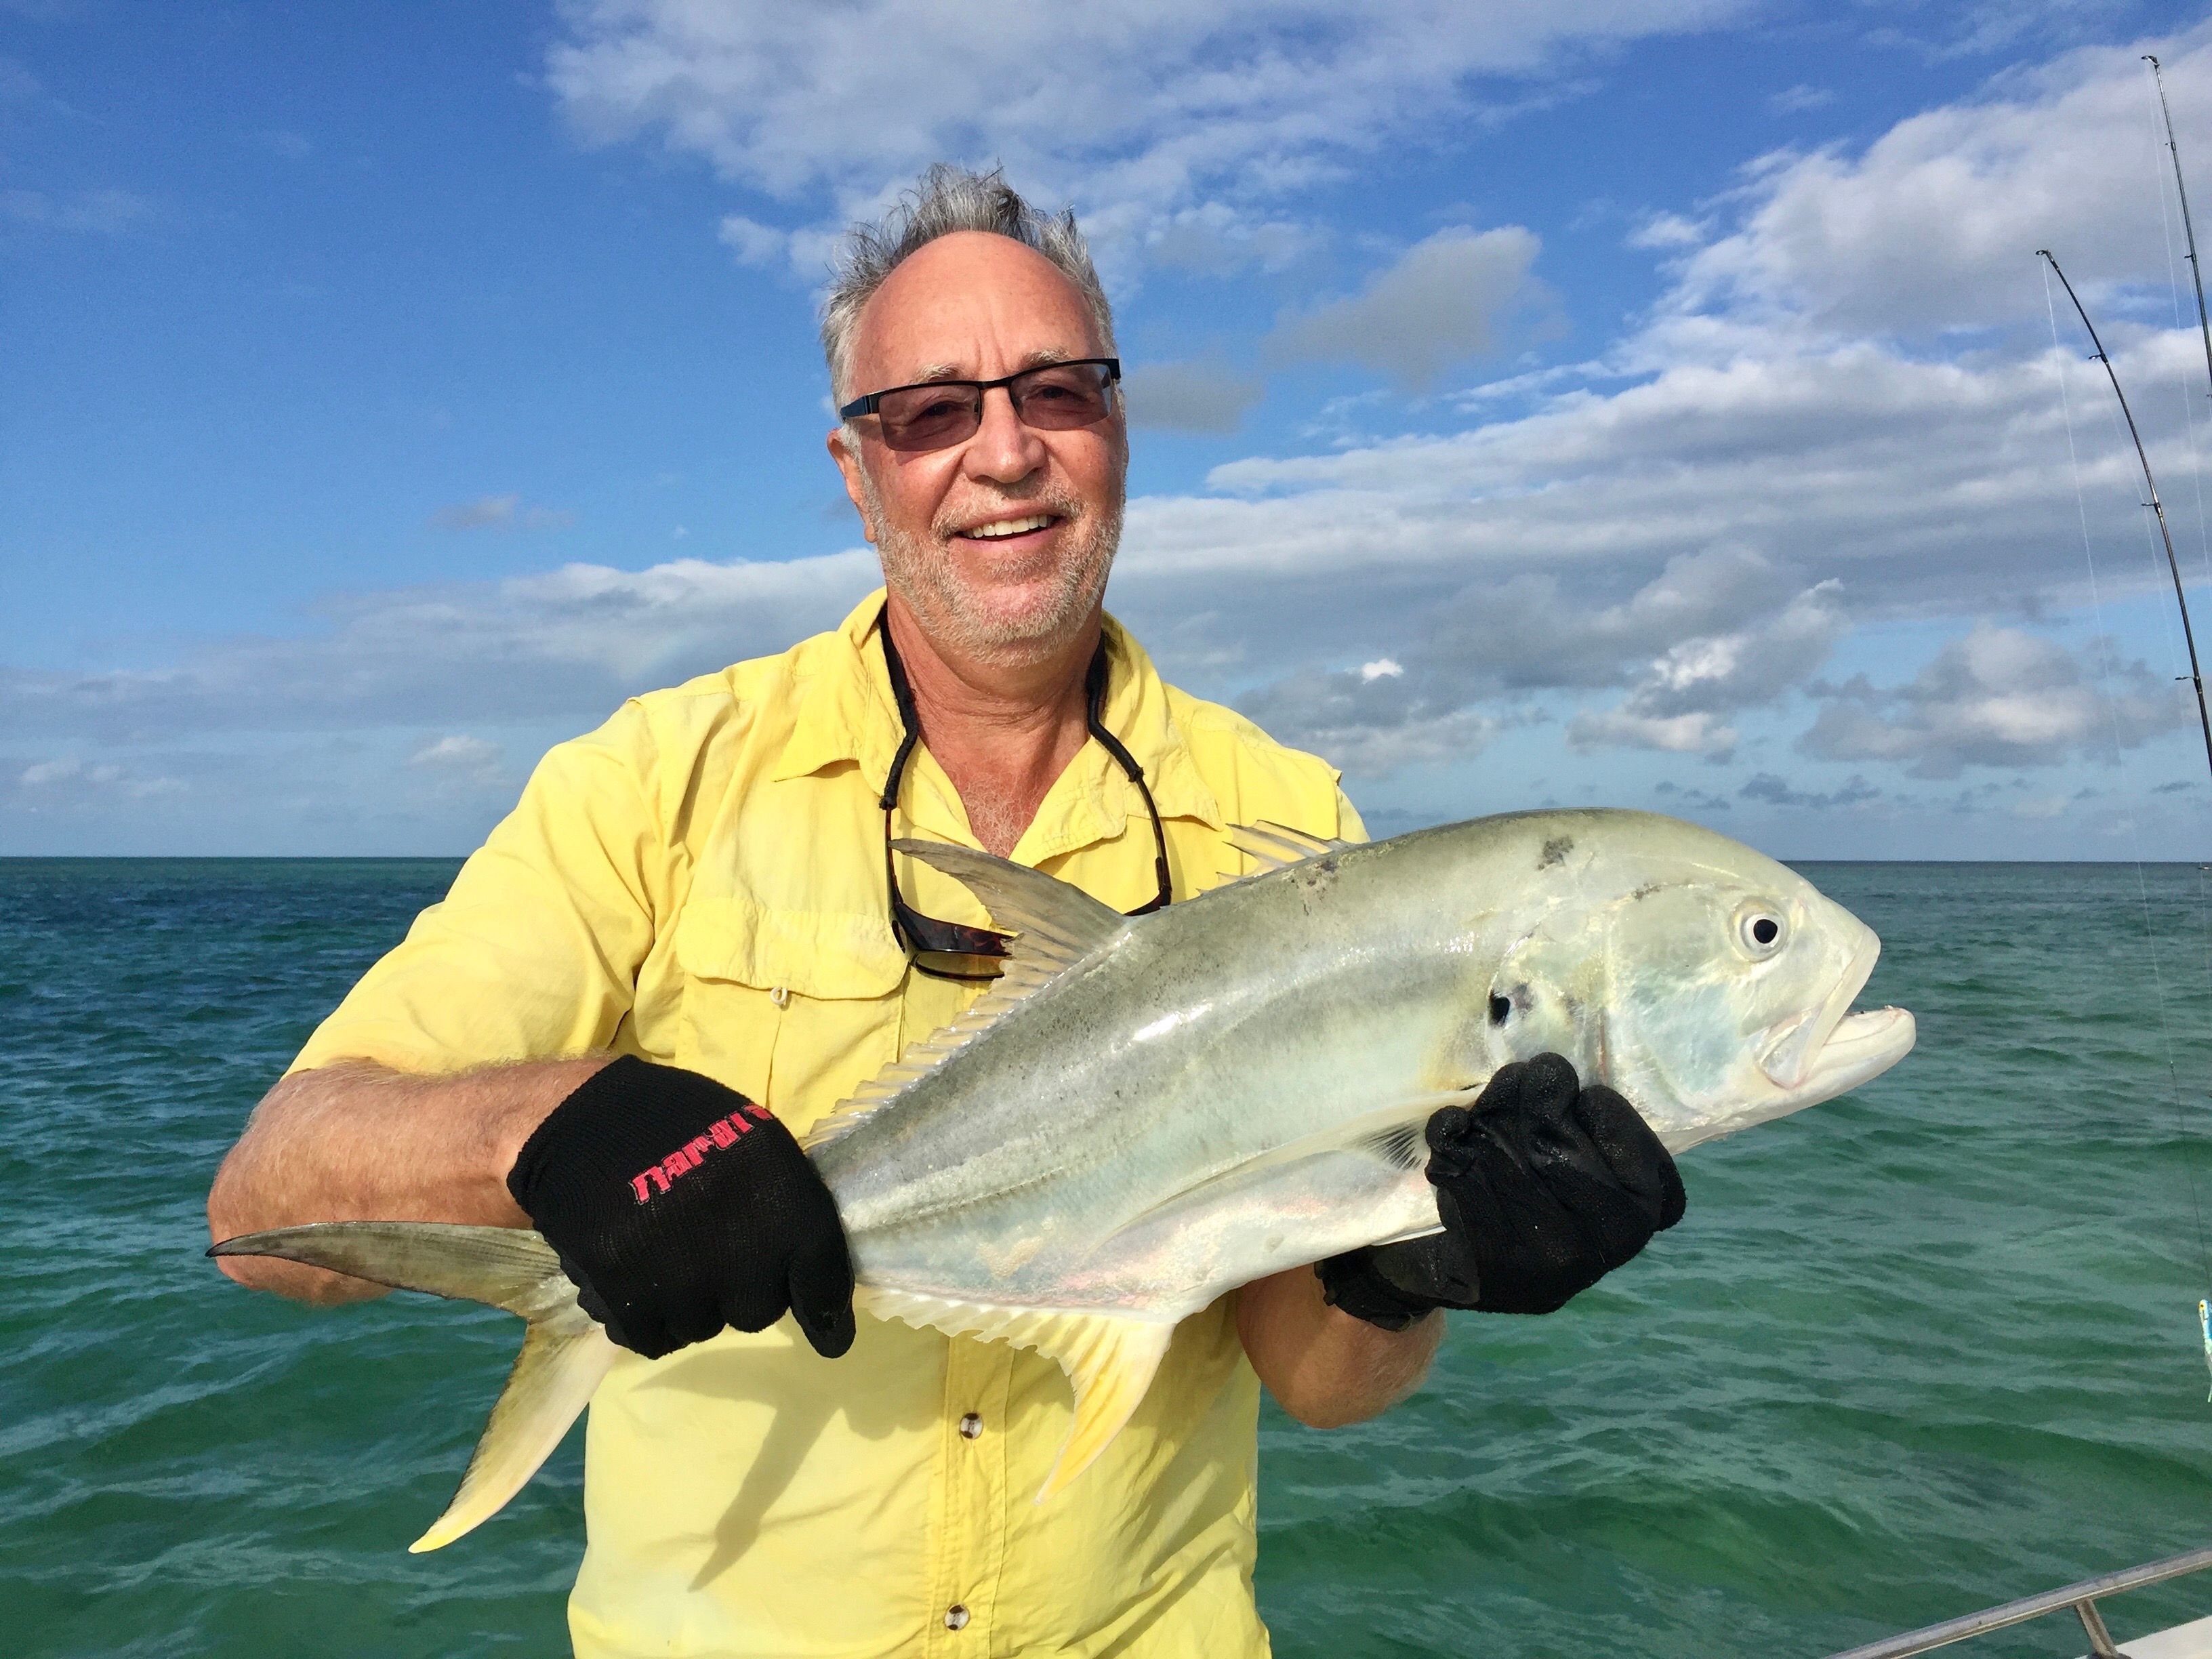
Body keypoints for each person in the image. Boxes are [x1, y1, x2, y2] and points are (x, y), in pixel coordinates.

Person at [207, 164, 1683, 1658]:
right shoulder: (656, 781)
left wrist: (1419, 1265)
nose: (1005, 455)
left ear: (1117, 435)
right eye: (931, 412)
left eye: (1058, 392)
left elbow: (1323, 1386)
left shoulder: (1287, 830)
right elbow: (271, 1221)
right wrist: (548, 1132)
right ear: (857, 473)